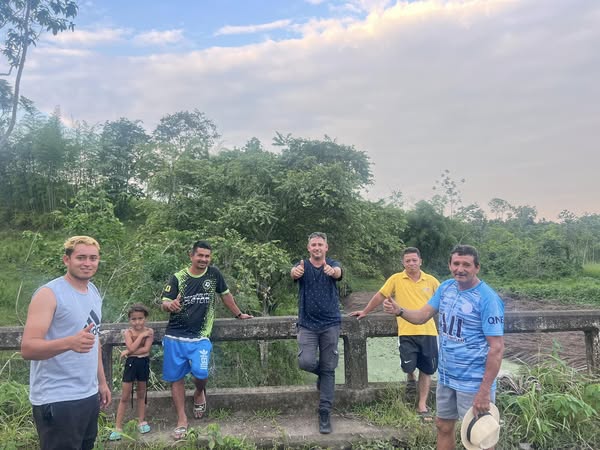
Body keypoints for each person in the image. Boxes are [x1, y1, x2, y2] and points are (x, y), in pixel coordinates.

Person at [383, 245, 504, 450]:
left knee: (479, 437)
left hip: (473, 382)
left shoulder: (488, 298)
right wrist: (400, 310)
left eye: (466, 264)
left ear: (477, 267)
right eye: (456, 263)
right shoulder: (446, 288)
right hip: (447, 377)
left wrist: (484, 391)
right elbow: (422, 315)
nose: (460, 269)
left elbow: (497, 348)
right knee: (443, 426)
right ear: (449, 265)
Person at [21, 236, 112, 450]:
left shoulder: (93, 291)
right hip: (57, 398)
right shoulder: (49, 294)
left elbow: (93, 340)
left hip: (88, 394)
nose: (87, 263)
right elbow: (28, 348)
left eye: (93, 258)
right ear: (66, 260)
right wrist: (69, 343)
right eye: (81, 257)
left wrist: (101, 382)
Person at [160, 240, 253, 440]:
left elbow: (226, 296)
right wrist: (170, 305)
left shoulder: (213, 274)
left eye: (207, 256)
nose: (203, 259)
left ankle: (199, 392)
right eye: (200, 255)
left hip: (201, 336)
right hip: (175, 335)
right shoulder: (178, 277)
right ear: (191, 255)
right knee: (176, 378)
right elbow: (164, 302)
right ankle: (182, 419)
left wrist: (239, 314)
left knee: (201, 373)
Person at [349, 247, 439, 421]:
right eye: (407, 261)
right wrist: (365, 311)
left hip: (429, 331)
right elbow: (380, 295)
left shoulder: (432, 281)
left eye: (414, 260)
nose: (411, 263)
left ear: (421, 261)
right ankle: (410, 376)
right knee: (408, 366)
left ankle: (422, 405)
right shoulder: (396, 279)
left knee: (427, 369)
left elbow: (444, 300)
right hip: (406, 332)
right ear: (403, 263)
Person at [291, 231, 343, 434]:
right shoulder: (302, 265)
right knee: (306, 362)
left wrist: (333, 272)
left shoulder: (332, 264)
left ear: (326, 247)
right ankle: (324, 373)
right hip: (307, 325)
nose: (317, 248)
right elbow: (293, 272)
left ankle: (324, 412)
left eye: (320, 244)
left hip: (330, 324)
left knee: (329, 369)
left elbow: (339, 272)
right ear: (309, 248)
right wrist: (294, 272)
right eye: (313, 245)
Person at [110, 303, 154, 441]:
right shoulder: (128, 332)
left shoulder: (150, 332)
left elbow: (146, 349)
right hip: (131, 364)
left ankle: (141, 421)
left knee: (141, 394)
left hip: (143, 363)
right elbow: (131, 346)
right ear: (129, 320)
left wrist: (128, 352)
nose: (137, 322)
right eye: (134, 319)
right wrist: (140, 337)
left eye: (140, 318)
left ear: (145, 318)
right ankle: (118, 427)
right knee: (125, 396)